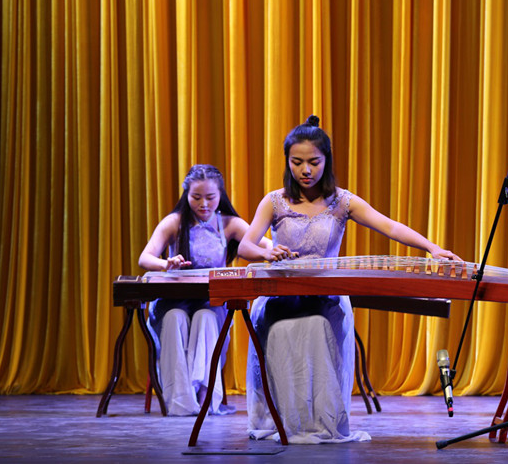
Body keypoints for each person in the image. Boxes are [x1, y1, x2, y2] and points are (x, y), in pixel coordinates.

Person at [238, 116, 461, 443]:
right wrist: (266, 253)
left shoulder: (342, 201)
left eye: (314, 162)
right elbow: (245, 245)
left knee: (317, 327)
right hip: (280, 297)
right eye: (297, 162)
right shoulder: (274, 201)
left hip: (325, 297)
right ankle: (283, 421)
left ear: (326, 160)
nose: (305, 170)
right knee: (281, 329)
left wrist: (432, 248)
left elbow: (389, 226)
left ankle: (319, 421)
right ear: (287, 161)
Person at [138, 164, 271, 416]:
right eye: (196, 197)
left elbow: (265, 244)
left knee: (206, 318)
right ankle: (180, 402)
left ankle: (205, 398)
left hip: (212, 302)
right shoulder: (174, 222)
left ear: (220, 195)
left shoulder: (229, 224)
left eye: (210, 197)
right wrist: (166, 264)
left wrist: (276, 251)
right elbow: (145, 258)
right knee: (174, 318)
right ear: (186, 195)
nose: (204, 204)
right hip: (173, 301)